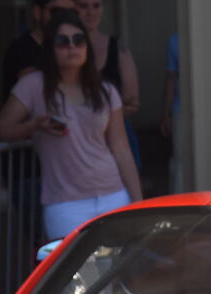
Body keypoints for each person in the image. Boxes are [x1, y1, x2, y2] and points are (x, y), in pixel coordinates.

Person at [0, 11, 142, 241]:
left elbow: (121, 150)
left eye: (79, 40)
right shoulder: (33, 85)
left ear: (87, 47)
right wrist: (34, 126)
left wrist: (138, 203)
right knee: (80, 277)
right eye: (62, 41)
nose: (72, 47)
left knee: (113, 273)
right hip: (65, 203)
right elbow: (0, 130)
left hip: (113, 194)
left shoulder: (106, 90)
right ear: (50, 48)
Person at [74, 0, 141, 168]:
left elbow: (132, 101)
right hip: (77, 139)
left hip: (116, 136)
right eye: (84, 6)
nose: (91, 12)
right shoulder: (63, 50)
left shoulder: (117, 48)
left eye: (96, 5)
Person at [1, 0, 76, 101]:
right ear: (37, 12)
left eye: (71, 13)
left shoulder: (74, 47)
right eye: (57, 11)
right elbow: (33, 92)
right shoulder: (21, 49)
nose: (64, 19)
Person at [159, 32, 183, 193]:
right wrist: (166, 113)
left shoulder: (175, 40)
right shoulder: (175, 41)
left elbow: (171, 77)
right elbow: (171, 77)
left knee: (180, 159)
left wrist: (166, 113)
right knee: (180, 159)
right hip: (180, 109)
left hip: (179, 109)